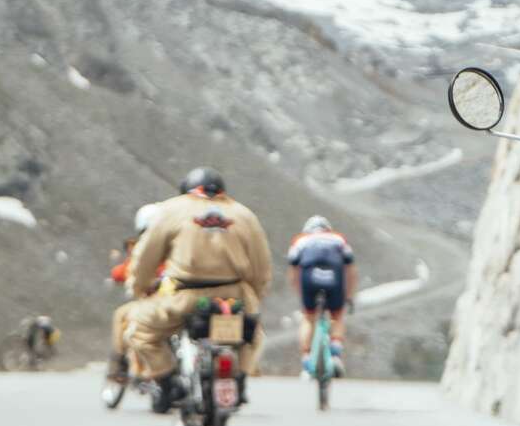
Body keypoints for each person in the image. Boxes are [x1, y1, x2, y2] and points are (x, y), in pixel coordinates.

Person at [124, 167, 270, 407]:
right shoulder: (244, 214)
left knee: (138, 330)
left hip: (186, 296)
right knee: (253, 335)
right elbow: (261, 265)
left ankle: (170, 384)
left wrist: (139, 286)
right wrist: (255, 294)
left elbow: (146, 256)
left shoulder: (172, 209)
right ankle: (240, 379)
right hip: (234, 295)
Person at [287, 215, 356, 376]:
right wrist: (348, 295)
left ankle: (306, 360)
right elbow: (351, 269)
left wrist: (300, 293)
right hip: (334, 276)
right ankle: (335, 353)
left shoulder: (300, 240)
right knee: (337, 315)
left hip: (309, 277)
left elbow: (293, 272)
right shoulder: (339, 239)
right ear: (328, 229)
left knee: (308, 317)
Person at [105, 203, 163, 386]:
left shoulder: (144, 247)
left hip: (154, 301)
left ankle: (119, 366)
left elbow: (130, 270)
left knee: (121, 315)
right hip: (179, 298)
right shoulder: (176, 241)